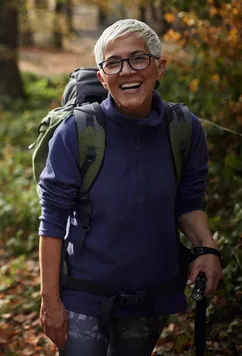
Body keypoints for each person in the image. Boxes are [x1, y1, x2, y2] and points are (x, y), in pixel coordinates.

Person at [38, 19, 223, 355]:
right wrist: (50, 300)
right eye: (113, 63)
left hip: (149, 299)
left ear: (159, 67)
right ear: (102, 77)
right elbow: (52, 220)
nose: (126, 71)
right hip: (83, 296)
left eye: (138, 58)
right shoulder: (76, 133)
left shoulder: (182, 129)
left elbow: (188, 203)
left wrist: (207, 248)